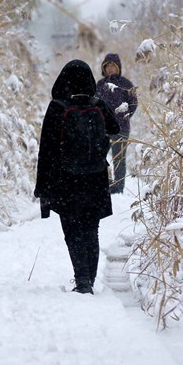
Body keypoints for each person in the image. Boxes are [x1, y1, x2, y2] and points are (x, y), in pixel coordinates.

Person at [35, 60, 120, 294]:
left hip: (66, 180)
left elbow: (46, 150)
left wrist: (43, 188)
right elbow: (114, 128)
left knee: (72, 230)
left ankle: (82, 280)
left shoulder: (57, 107)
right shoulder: (98, 104)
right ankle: (89, 280)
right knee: (91, 229)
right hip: (95, 178)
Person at [96, 53, 138, 194]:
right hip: (102, 129)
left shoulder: (126, 84)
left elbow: (133, 102)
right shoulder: (100, 85)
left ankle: (118, 187)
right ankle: (103, 182)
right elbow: (94, 104)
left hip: (121, 128)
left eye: (112, 66)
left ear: (118, 67)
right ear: (104, 68)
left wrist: (127, 115)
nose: (110, 68)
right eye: (107, 66)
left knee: (118, 158)